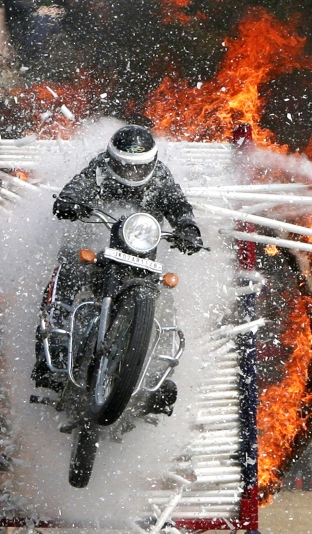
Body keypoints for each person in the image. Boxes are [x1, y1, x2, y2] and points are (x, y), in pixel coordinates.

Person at [35, 126, 204, 390]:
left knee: (166, 297)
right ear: (113, 160)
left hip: (141, 256)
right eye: (126, 167)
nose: (133, 173)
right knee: (69, 268)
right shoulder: (100, 170)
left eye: (139, 167)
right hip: (95, 243)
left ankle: (158, 375)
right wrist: (70, 201)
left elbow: (178, 203)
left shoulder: (160, 176)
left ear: (152, 162)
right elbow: (79, 185)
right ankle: (51, 346)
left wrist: (188, 228)